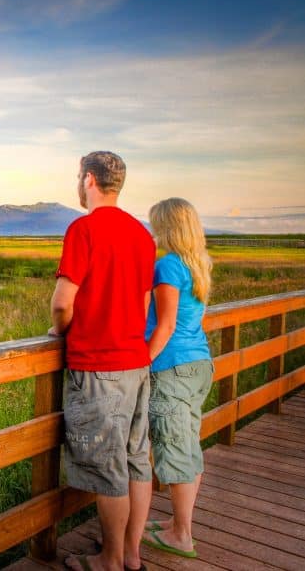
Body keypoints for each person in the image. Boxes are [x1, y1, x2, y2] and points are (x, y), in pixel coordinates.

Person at [50, 151, 156, 571]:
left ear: (90, 180)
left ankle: (109, 560)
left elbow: (62, 303)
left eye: (79, 176)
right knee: (135, 459)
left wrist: (59, 331)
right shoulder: (142, 235)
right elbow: (143, 303)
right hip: (136, 363)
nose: (78, 183)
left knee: (108, 466)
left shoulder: (83, 229)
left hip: (98, 366)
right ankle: (131, 555)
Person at [140, 198, 214, 559]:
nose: (152, 230)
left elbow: (166, 324)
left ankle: (181, 535)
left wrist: (143, 361)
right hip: (198, 363)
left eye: (155, 224)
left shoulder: (168, 265)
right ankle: (176, 525)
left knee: (174, 448)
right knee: (188, 444)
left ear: (167, 226)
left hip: (171, 368)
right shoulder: (196, 262)